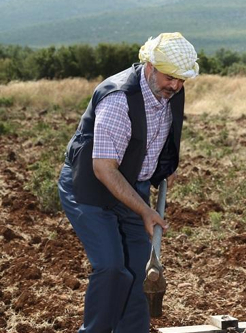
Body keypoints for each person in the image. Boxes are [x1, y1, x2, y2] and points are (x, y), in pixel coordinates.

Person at [57, 32, 199, 333]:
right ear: (150, 66)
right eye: (170, 77)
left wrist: (165, 166)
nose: (175, 85)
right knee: (111, 267)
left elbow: (160, 135)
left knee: (138, 272)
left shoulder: (169, 92)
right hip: (90, 189)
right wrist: (145, 211)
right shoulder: (119, 99)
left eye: (181, 79)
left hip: (132, 185)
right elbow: (105, 170)